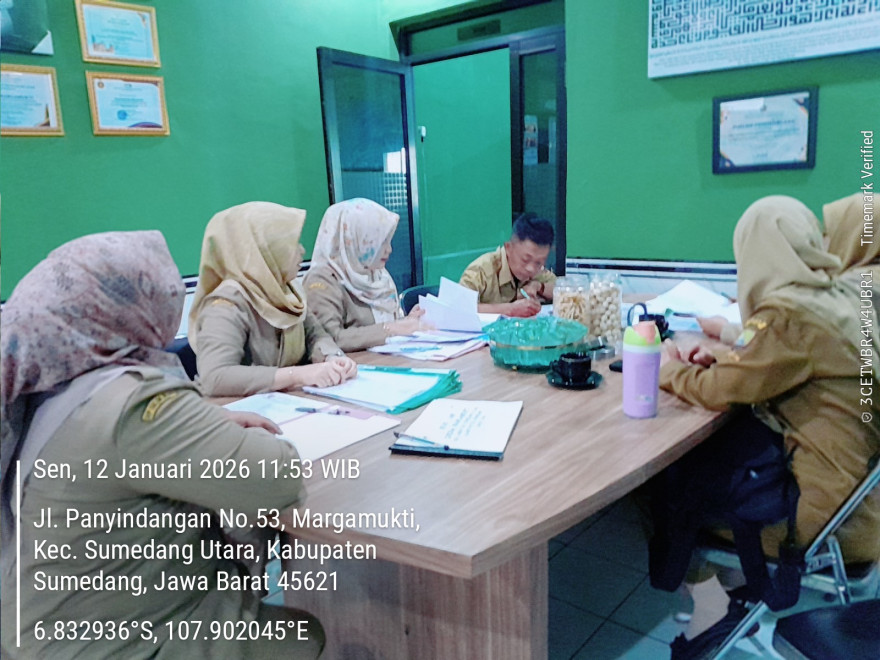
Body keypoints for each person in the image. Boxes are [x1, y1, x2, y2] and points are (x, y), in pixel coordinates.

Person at [0, 231, 325, 659]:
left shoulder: (45, 388)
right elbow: (277, 479)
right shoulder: (134, 399)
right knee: (304, 633)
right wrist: (219, 434)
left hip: (48, 626)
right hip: (114, 641)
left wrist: (202, 427)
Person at [658, 196, 880, 643]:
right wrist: (729, 358)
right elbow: (778, 362)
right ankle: (731, 593)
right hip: (862, 503)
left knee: (662, 488)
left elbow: (715, 391)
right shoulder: (839, 297)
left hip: (829, 523)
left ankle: (713, 606)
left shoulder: (791, 314)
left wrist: (666, 368)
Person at [188, 201, 357, 397]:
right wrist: (298, 375)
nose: (302, 251)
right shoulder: (226, 304)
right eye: (292, 244)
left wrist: (332, 358)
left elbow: (316, 335)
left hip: (284, 401)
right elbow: (215, 377)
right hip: (236, 407)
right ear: (264, 251)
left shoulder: (287, 290)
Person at [304, 198, 425, 352]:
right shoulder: (322, 281)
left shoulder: (377, 273)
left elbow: (382, 325)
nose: (389, 250)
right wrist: (392, 328)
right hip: (352, 365)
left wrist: (407, 321)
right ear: (355, 240)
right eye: (380, 242)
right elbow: (329, 340)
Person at [459, 214, 557, 317]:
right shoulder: (481, 271)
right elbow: (459, 308)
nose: (531, 269)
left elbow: (561, 290)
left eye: (538, 262)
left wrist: (538, 287)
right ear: (508, 248)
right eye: (525, 260)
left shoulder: (538, 271)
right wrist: (510, 309)